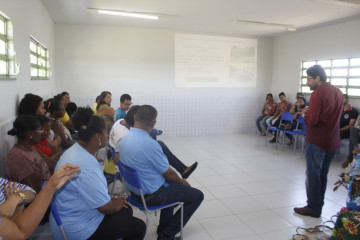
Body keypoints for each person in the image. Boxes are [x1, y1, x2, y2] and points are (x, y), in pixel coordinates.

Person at [51, 107, 145, 240]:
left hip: (69, 216)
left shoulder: (76, 150)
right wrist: (114, 203)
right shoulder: (86, 165)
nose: (107, 134)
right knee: (139, 227)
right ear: (98, 137)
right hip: (79, 229)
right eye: (105, 131)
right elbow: (105, 208)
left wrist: (113, 202)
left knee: (126, 209)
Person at [119, 105, 204, 240]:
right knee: (197, 195)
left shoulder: (124, 139)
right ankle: (167, 234)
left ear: (135, 117)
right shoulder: (151, 145)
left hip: (134, 193)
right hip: (151, 196)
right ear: (153, 123)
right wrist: (183, 182)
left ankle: (163, 226)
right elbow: (169, 174)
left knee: (169, 184)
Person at [294, 65, 343, 218]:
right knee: (322, 174)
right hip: (332, 140)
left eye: (309, 79)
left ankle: (313, 207)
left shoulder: (317, 94)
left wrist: (304, 115)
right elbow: (330, 113)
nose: (308, 83)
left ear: (317, 78)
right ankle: (318, 205)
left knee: (313, 174)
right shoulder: (338, 92)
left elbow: (313, 120)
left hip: (317, 141)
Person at [105, 105, 198, 185]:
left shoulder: (119, 122)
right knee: (157, 147)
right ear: (134, 119)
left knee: (157, 143)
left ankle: (182, 169)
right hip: (127, 165)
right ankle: (179, 171)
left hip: (121, 157)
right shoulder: (125, 135)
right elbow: (121, 157)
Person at [0, 164, 79, 240]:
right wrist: (18, 207)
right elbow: (18, 234)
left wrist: (16, 198)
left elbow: (31, 192)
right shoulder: (18, 157)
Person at [6, 115, 51, 193]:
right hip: (43, 198)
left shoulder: (30, 148)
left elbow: (50, 164)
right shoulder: (19, 158)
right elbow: (35, 191)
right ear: (29, 134)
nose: (41, 133)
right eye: (40, 131)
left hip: (48, 190)